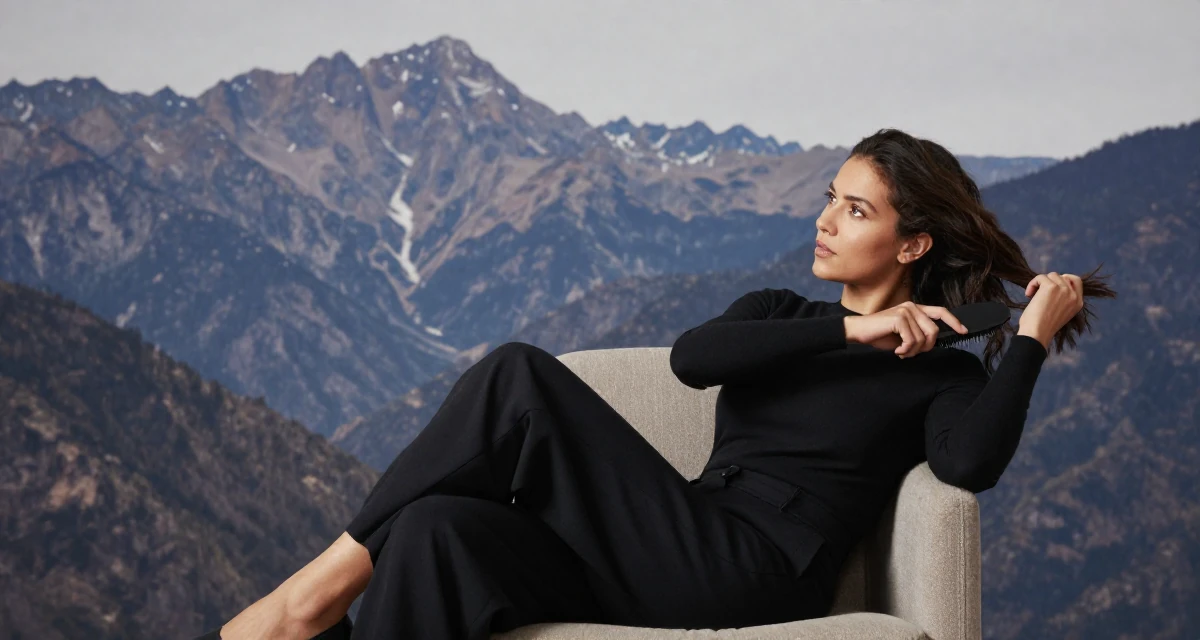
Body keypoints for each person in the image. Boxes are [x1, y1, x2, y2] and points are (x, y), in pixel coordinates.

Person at [197, 128, 1114, 639]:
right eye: (829, 197)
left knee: (518, 376)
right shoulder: (780, 313)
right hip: (674, 543)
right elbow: (694, 360)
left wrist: (1030, 339)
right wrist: (852, 329)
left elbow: (969, 466)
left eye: (855, 208)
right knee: (438, 529)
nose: (827, 220)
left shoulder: (939, 370)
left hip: (751, 574)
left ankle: (302, 607)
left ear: (911, 243)